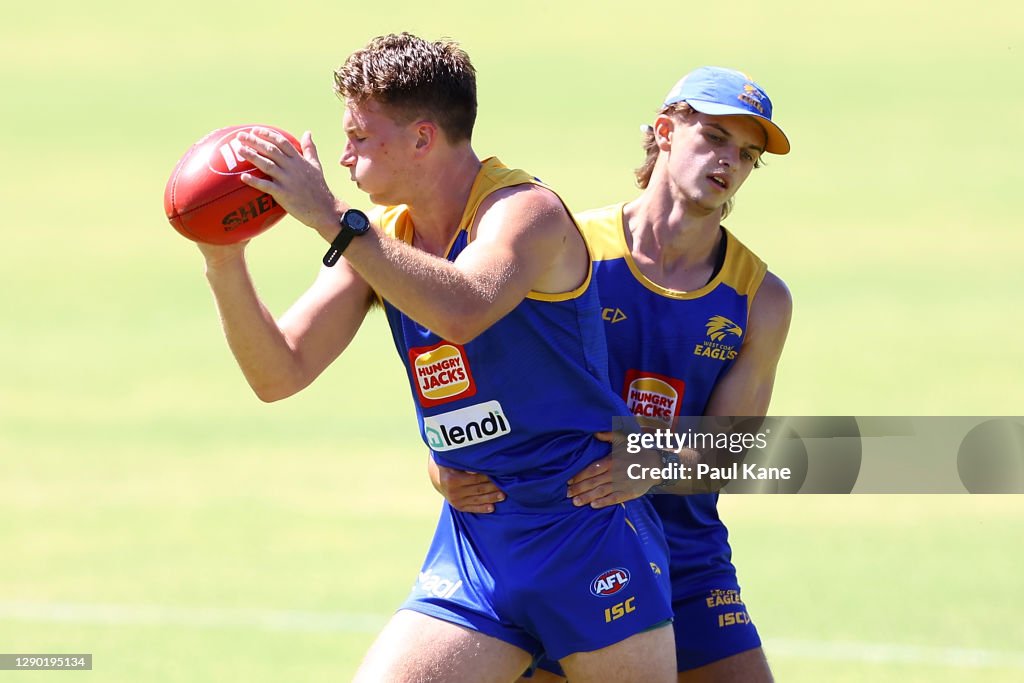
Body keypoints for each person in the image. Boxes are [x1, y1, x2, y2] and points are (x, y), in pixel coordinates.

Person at [195, 33, 675, 683]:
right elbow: (278, 373)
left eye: (359, 136)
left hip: (586, 529)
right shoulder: (379, 239)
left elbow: (464, 309)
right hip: (477, 543)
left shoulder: (524, 211)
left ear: (423, 138)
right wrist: (222, 259)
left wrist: (332, 217)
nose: (343, 156)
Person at [433, 66, 793, 682]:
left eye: (746, 154)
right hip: (565, 541)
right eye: (713, 137)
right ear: (665, 132)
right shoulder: (568, 247)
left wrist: (656, 463)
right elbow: (477, 366)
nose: (728, 162)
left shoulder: (760, 297)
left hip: (685, 555)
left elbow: (732, 452)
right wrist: (444, 457)